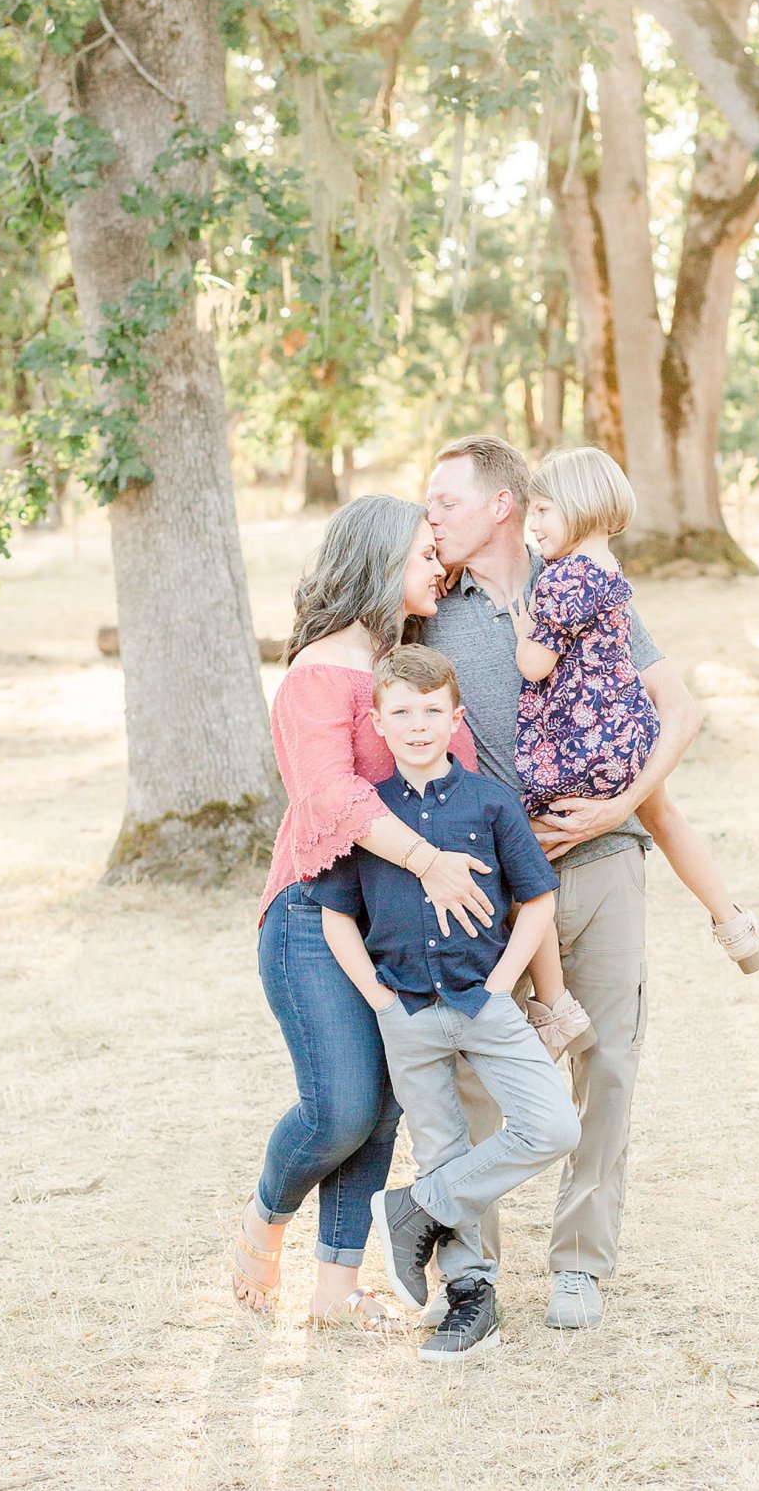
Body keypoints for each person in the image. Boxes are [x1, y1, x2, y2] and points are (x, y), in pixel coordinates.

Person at [416, 434, 701, 1330]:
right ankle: (471, 1269)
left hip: (604, 859)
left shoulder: (581, 583)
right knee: (475, 1071)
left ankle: (581, 1262)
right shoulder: (428, 613)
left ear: (503, 504)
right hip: (492, 882)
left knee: (608, 1060)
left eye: (445, 502)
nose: (431, 519)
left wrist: (624, 807)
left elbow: (673, 708)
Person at [233, 495, 494, 1331]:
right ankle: (265, 1219)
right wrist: (425, 860)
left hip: (395, 925)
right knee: (340, 1106)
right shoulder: (321, 672)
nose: (438, 567)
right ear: (381, 557)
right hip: (313, 914)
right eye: (424, 553)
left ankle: (336, 1292)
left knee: (384, 1109)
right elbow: (330, 795)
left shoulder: (406, 673)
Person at [312, 645, 581, 1362]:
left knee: (552, 1125)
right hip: (404, 1009)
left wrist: (501, 985)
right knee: (440, 1147)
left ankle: (414, 1209)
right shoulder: (370, 815)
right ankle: (469, 1293)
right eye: (401, 712)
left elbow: (538, 898)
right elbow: (336, 911)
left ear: (456, 718)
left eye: (433, 711)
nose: (418, 725)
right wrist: (377, 998)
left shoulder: (490, 801)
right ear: (378, 722)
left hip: (483, 1000)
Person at [517, 446, 759, 980]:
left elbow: (535, 666)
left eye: (541, 510)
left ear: (578, 506)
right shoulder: (609, 568)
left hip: (581, 738)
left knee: (527, 835)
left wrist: (522, 626)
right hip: (629, 727)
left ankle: (552, 998)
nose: (531, 523)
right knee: (665, 817)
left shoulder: (560, 579)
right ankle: (732, 922)